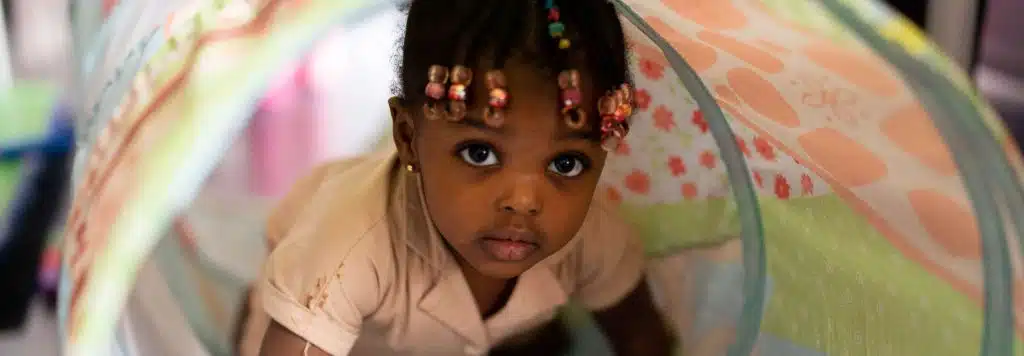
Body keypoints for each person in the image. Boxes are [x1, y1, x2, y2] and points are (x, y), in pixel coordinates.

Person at [251, 0, 675, 354]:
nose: (524, 200)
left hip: (490, 338)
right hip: (323, 334)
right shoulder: (344, 250)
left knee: (546, 342)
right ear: (408, 137)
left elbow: (643, 338)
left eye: (566, 163)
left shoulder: (592, 241)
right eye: (480, 153)